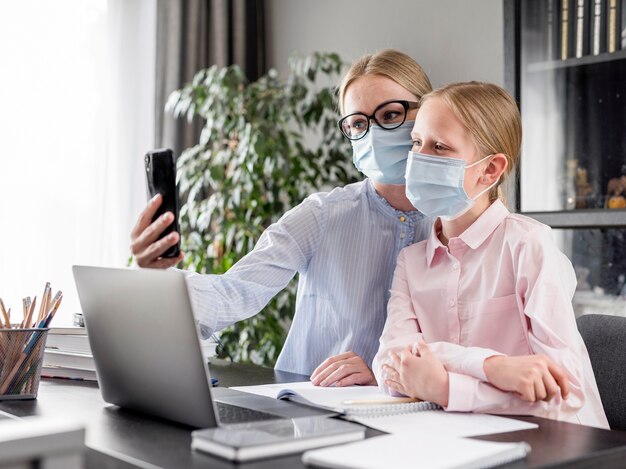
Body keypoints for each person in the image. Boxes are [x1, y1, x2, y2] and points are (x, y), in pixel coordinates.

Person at [130, 49, 434, 383]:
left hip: (416, 419)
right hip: (310, 408)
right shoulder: (322, 214)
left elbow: (475, 349)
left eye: (390, 116)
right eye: (358, 123)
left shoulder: (459, 226)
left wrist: (386, 375)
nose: (374, 135)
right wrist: (157, 280)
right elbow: (235, 292)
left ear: (428, 113)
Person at [373, 82, 609, 428]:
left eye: (440, 147)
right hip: (455, 439)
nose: (420, 158)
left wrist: (445, 387)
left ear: (490, 170)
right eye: (416, 143)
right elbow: (390, 367)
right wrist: (492, 366)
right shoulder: (411, 262)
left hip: (554, 443)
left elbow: (566, 392)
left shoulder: (528, 244)